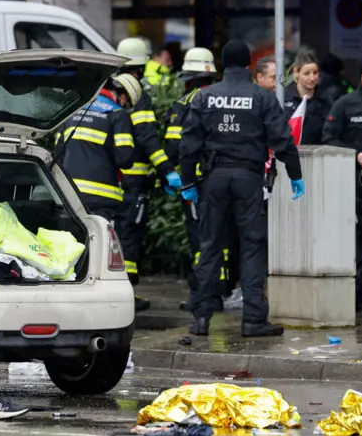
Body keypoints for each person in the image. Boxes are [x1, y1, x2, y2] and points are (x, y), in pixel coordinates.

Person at [179, 39, 304, 338]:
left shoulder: (205, 97)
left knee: (210, 246)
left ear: (222, 63)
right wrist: (295, 173)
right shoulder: (260, 98)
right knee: (251, 246)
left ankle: (201, 318)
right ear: (249, 64)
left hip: (214, 177)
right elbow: (282, 139)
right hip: (248, 178)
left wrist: (188, 183)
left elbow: (188, 145)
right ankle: (253, 320)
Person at [114, 38, 181, 310]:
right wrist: (167, 171)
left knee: (116, 234)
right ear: (140, 67)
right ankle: (126, 295)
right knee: (129, 236)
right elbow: (148, 139)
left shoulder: (107, 91)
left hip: (113, 180)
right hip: (134, 180)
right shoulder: (138, 95)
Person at [323, 52, 362, 309]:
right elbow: (329, 138)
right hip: (353, 183)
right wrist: (354, 154)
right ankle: (356, 291)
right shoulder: (345, 104)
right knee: (358, 239)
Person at [164, 48, 219, 288]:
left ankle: (204, 290)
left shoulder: (185, 103)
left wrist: (167, 173)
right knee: (221, 234)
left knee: (199, 235)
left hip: (195, 180)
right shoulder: (222, 98)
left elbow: (176, 145)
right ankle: (223, 286)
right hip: (222, 177)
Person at [55, 73, 139, 226]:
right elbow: (124, 159)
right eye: (126, 102)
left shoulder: (74, 110)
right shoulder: (117, 114)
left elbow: (57, 153)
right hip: (101, 198)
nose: (124, 105)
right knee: (98, 246)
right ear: (122, 95)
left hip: (68, 194)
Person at [283, 52, 330, 145]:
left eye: (315, 73)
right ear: (296, 73)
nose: (312, 78)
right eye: (306, 73)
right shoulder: (283, 97)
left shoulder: (324, 100)